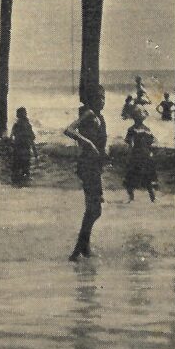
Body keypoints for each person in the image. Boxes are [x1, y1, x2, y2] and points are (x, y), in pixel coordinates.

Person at [65, 85, 109, 261]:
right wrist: (88, 143)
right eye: (99, 98)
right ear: (92, 99)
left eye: (104, 97)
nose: (102, 101)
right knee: (94, 209)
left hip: (94, 165)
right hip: (87, 165)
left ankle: (83, 247)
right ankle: (78, 250)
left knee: (94, 209)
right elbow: (68, 130)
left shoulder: (100, 117)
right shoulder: (89, 114)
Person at [123, 108, 158, 203]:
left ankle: (132, 198)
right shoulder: (147, 130)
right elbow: (153, 142)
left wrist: (128, 155)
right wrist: (151, 152)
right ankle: (152, 198)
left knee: (132, 177)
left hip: (137, 154)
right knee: (148, 178)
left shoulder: (132, 129)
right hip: (145, 154)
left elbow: (130, 143)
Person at [9, 106, 39, 186]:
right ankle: (25, 185)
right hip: (25, 152)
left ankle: (16, 185)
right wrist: (35, 153)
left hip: (17, 151)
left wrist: (11, 148)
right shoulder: (27, 125)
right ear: (25, 115)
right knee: (25, 171)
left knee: (15, 171)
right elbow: (32, 139)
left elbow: (11, 138)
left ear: (17, 116)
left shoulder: (16, 125)